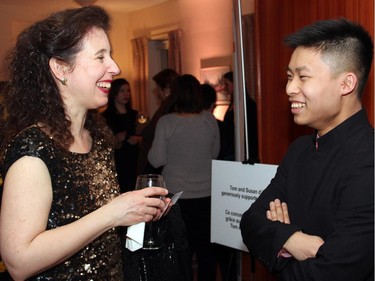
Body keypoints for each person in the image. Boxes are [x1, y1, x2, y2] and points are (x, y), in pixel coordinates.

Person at [0, 6, 169, 280]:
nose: (115, 67)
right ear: (60, 68)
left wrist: (135, 212)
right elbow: (19, 262)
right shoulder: (34, 150)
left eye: (110, 56)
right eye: (100, 56)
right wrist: (113, 214)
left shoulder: (98, 137)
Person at [240, 18, 374, 281]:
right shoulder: (300, 148)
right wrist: (294, 240)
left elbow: (333, 272)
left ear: (346, 84)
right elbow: (250, 222)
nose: (290, 88)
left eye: (303, 77)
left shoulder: (369, 161)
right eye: (290, 77)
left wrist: (278, 242)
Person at [148, 74, 221, 281]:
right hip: (207, 194)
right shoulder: (209, 119)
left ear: (175, 95)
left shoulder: (167, 122)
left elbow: (156, 159)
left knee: (182, 251)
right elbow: (214, 154)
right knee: (207, 251)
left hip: (176, 196)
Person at [137, 68, 179, 175]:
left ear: (166, 89)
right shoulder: (169, 107)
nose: (157, 92)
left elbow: (154, 133)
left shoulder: (168, 108)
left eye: (158, 88)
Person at [102, 78, 140, 192]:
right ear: (114, 93)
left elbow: (143, 135)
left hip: (135, 158)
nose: (126, 94)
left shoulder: (135, 114)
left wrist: (138, 139)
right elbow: (104, 142)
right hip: (118, 159)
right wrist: (117, 139)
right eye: (122, 91)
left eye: (128, 91)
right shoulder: (106, 117)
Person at [220, 71, 258, 162]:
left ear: (235, 84)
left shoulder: (248, 105)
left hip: (243, 153)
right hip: (231, 151)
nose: (224, 88)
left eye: (227, 84)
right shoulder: (233, 104)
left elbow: (250, 132)